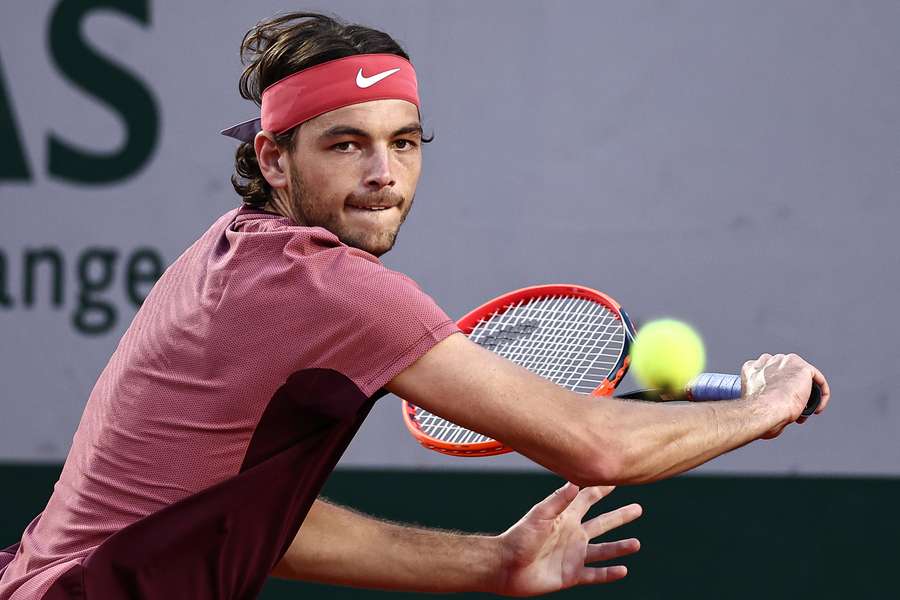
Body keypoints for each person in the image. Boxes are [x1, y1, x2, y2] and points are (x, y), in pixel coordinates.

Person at [0, 11, 830, 600]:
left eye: (402, 142)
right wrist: (768, 405)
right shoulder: (327, 287)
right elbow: (597, 447)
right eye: (346, 143)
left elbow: (254, 523)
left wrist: (493, 562)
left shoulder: (230, 253)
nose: (384, 176)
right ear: (274, 158)